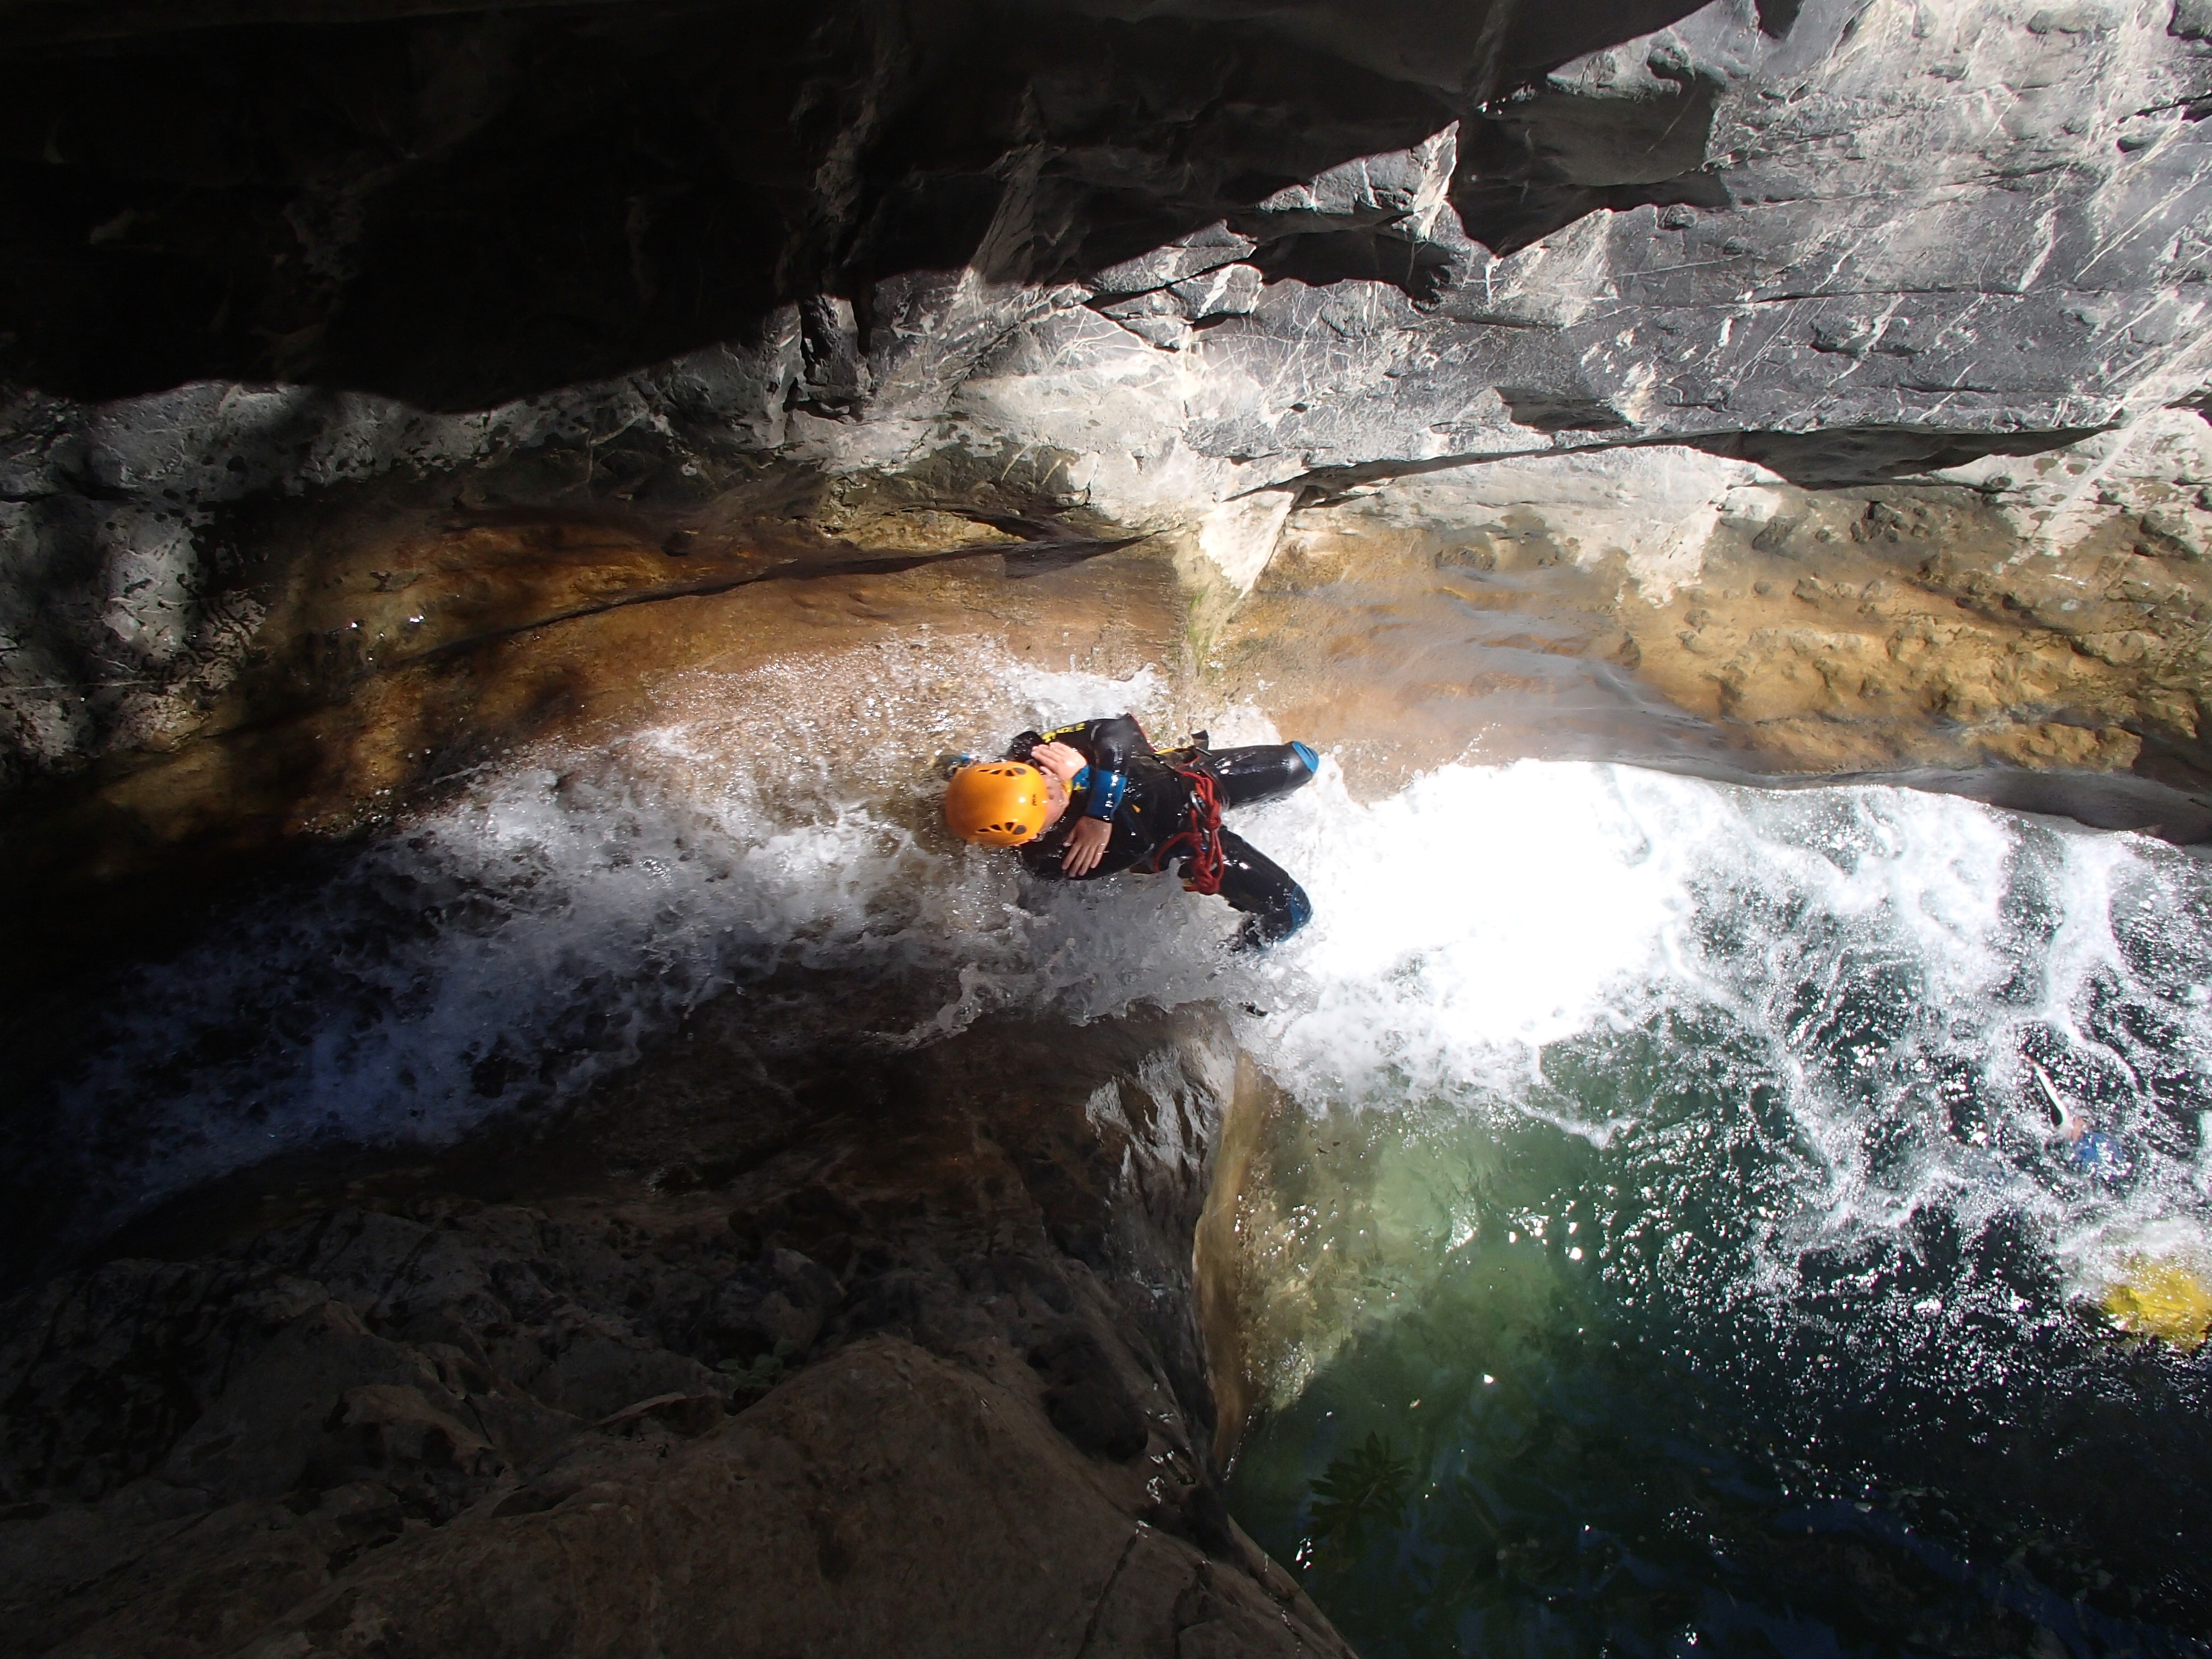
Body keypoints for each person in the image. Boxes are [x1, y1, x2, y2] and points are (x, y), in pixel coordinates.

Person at [943, 714, 1319, 947]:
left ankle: (1263, 800)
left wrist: (1099, 810)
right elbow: (1139, 840)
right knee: (1294, 912)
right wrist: (1089, 777)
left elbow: (1116, 731)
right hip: (1191, 842)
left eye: (1040, 778)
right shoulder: (1050, 857)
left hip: (1189, 778)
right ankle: (1236, 961)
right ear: (1027, 836)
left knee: (1303, 761)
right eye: (1047, 798)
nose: (1052, 783)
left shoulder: (1035, 757)